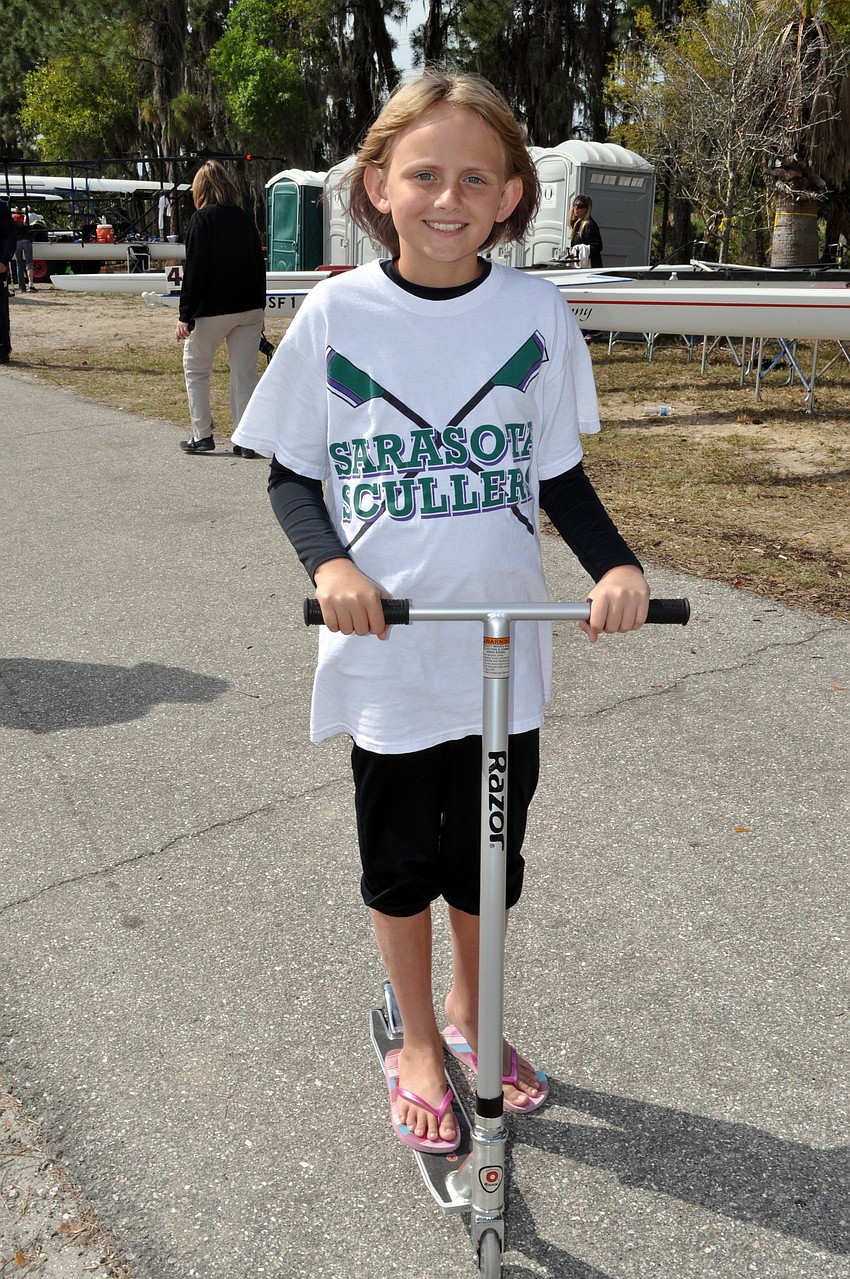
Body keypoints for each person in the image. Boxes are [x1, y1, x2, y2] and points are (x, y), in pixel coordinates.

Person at [232, 69, 650, 1152]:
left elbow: (555, 472)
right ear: (378, 184)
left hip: (503, 650)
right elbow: (290, 473)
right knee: (402, 863)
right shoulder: (336, 316)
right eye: (423, 174)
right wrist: (331, 569)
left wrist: (613, 567)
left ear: (514, 193)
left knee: (490, 862)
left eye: (477, 175)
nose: (448, 195)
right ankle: (416, 1037)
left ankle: (475, 1014)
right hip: (390, 658)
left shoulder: (535, 312)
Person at [175, 159, 266, 456]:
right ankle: (246, 438)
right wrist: (260, 308)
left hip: (214, 308)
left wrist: (184, 315)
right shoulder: (243, 218)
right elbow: (258, 264)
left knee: (197, 368)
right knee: (245, 374)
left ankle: (202, 435)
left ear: (199, 189)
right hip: (249, 306)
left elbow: (195, 270)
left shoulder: (202, 220)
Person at [0, 199, 18, 364]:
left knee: (0, 311)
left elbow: (10, 237)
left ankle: (2, 349)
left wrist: (4, 261)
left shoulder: (1, 207)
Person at [569, 193, 604, 268]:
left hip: (590, 267)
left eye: (580, 206)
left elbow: (597, 247)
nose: (576, 208)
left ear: (586, 208)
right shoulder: (576, 224)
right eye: (574, 205)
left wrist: (580, 249)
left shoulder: (589, 225)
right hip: (580, 266)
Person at [12, 209, 36, 293]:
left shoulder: (13, 224)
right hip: (26, 241)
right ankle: (31, 285)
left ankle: (21, 287)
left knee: (19, 265)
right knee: (29, 263)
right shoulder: (25, 223)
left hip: (17, 242)